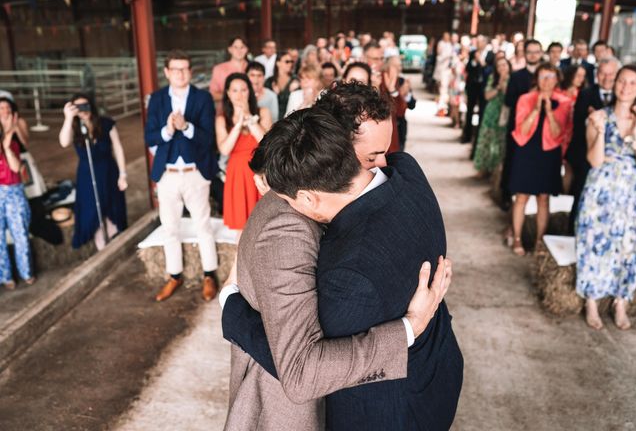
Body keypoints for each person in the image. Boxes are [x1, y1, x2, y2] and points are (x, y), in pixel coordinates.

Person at [223, 99, 463, 430]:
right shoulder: (407, 170)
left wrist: (231, 310)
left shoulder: (351, 274)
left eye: (287, 199)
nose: (282, 205)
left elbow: (302, 371)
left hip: (389, 412)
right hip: (440, 371)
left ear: (307, 197)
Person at [144, 50, 219, 302]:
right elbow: (149, 137)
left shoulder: (203, 98)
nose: (180, 73)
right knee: (170, 227)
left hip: (195, 172)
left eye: (185, 68)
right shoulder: (156, 99)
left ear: (190, 71)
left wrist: (186, 127)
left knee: (203, 225)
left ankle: (209, 274)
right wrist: (167, 129)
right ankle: (174, 275)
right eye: (175, 69)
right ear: (166, 72)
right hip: (167, 174)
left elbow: (209, 139)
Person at [575, 64, 636, 331]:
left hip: (630, 193)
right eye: (621, 81)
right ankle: (592, 300)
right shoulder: (598, 116)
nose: (626, 87)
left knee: (628, 245)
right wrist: (600, 131)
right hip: (600, 191)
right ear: (614, 84)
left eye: (633, 83)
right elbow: (595, 160)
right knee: (594, 241)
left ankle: (620, 301)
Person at [509, 63, 573, 256]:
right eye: (543, 76)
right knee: (521, 196)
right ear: (536, 78)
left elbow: (558, 133)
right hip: (527, 150)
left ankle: (539, 241)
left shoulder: (564, 101)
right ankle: (517, 238)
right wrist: (537, 109)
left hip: (548, 153)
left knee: (543, 198)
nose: (547, 81)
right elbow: (522, 130)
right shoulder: (524, 99)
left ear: (557, 80)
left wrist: (550, 112)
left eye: (551, 77)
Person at [59, 94, 127, 250]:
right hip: (87, 175)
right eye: (79, 107)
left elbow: (117, 148)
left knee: (113, 211)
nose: (83, 110)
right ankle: (102, 250)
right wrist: (68, 117)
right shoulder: (74, 128)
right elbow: (64, 142)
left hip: (108, 171)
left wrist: (123, 174)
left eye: (86, 105)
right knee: (93, 214)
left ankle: (115, 246)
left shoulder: (106, 123)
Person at [566, 57, 621, 233]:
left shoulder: (625, 98)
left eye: (611, 74)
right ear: (597, 74)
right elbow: (577, 126)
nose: (607, 78)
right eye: (603, 73)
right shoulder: (586, 93)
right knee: (581, 196)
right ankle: (572, 233)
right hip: (587, 157)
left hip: (614, 162)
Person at [216, 73, 272, 231]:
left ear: (249, 91)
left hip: (260, 171)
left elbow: (266, 143)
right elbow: (225, 149)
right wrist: (238, 125)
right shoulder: (222, 119)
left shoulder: (263, 112)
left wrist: (249, 118)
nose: (239, 95)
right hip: (237, 175)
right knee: (242, 229)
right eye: (234, 90)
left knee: (264, 226)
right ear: (228, 93)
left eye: (243, 90)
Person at [500, 39, 544, 213]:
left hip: (540, 129)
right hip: (518, 127)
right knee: (511, 160)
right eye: (530, 51)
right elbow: (509, 101)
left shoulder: (547, 75)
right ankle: (506, 196)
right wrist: (528, 97)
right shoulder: (517, 76)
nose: (533, 55)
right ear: (524, 54)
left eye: (536, 51)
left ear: (541, 53)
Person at [0, 97, 35, 289]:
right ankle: (5, 277)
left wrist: (13, 128)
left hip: (14, 187)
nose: (4, 111)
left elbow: (25, 145)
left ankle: (26, 272)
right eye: (0, 108)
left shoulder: (17, 125)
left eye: (6, 107)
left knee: (20, 232)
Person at [473, 56, 511, 178]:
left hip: (504, 113)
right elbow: (487, 95)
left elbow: (509, 96)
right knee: (485, 139)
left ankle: (496, 170)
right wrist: (499, 84)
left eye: (504, 65)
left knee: (499, 142)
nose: (502, 68)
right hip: (491, 112)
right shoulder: (492, 78)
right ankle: (482, 168)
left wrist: (504, 83)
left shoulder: (513, 79)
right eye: (499, 66)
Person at [209, 37, 249, 109]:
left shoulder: (252, 69)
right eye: (235, 47)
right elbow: (212, 94)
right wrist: (233, 96)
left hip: (249, 109)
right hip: (225, 111)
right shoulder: (219, 69)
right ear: (230, 49)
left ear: (246, 49)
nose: (239, 51)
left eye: (242, 47)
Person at [265, 51, 299, 120]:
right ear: (278, 63)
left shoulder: (296, 80)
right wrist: (274, 95)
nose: (290, 64)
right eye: (287, 61)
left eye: (291, 61)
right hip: (272, 119)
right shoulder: (269, 81)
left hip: (290, 120)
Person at [434, 32, 453, 114]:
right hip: (441, 66)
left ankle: (443, 105)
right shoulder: (441, 43)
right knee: (441, 86)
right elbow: (439, 53)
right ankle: (440, 105)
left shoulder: (450, 44)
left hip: (447, 68)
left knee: (445, 87)